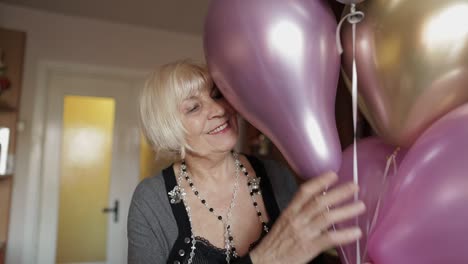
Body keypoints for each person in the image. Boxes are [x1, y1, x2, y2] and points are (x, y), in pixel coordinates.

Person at [128, 61, 365, 264]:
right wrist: (263, 259)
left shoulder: (276, 175)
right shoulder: (151, 201)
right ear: (169, 128)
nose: (219, 109)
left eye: (217, 94)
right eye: (194, 107)